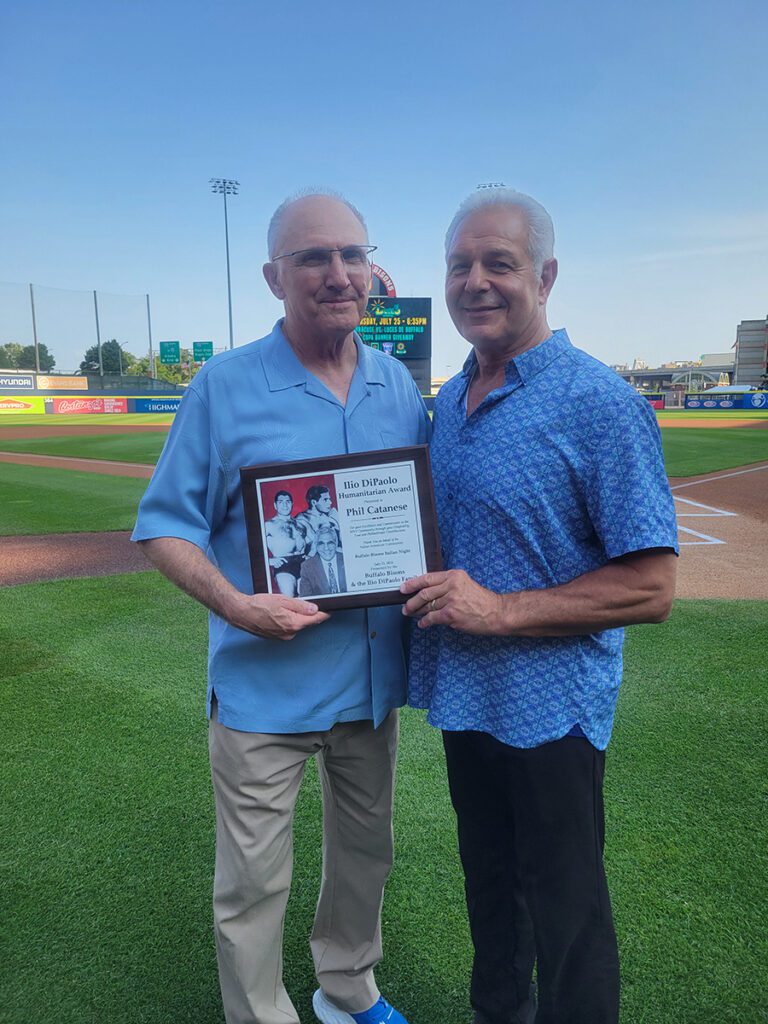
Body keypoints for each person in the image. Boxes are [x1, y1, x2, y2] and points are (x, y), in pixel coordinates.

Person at [132, 189, 430, 1024]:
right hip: (264, 685)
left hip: (370, 685)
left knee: (366, 857)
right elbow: (162, 528)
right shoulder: (223, 388)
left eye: (352, 255)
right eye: (313, 258)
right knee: (255, 881)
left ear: (372, 270)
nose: (337, 274)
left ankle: (348, 987)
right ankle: (261, 1014)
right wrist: (237, 604)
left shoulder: (395, 388)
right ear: (274, 277)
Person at [402, 187, 679, 1024]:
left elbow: (653, 585)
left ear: (546, 275)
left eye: (500, 263)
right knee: (489, 892)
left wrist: (503, 611)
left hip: (554, 713)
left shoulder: (601, 404)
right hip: (465, 700)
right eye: (460, 265)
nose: (476, 282)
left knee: (566, 913)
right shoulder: (449, 400)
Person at [265, 490, 306, 596]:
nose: (285, 504)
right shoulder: (269, 525)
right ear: (275, 505)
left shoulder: (300, 525)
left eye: (288, 501)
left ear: (292, 504)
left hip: (303, 563)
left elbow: (313, 542)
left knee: (307, 599)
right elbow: (253, 549)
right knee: (290, 600)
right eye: (281, 502)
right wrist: (268, 561)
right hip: (284, 566)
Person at [299, 523, 347, 597]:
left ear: (336, 544)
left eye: (330, 543)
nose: (326, 548)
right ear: (316, 546)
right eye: (321, 544)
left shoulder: (346, 560)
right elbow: (306, 597)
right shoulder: (307, 566)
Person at [295, 484, 342, 551]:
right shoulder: (301, 520)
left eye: (329, 499)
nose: (330, 502)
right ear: (314, 502)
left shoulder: (330, 516)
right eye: (325, 500)